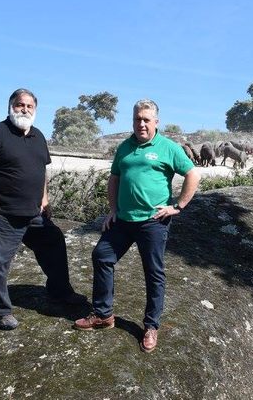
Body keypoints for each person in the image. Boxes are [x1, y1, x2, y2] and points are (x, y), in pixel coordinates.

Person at [74, 99, 200, 353]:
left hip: (153, 221)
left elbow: (193, 174)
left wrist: (178, 206)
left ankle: (151, 326)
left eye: (146, 119)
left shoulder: (168, 147)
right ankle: (103, 314)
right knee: (102, 255)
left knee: (153, 272)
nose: (141, 124)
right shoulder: (124, 147)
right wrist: (112, 210)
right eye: (137, 119)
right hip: (123, 220)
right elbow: (114, 178)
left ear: (156, 122)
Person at [0, 88, 85, 331]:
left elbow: (41, 170)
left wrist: (45, 199)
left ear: (35, 109)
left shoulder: (38, 136)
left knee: (54, 241)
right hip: (1, 214)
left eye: (29, 106)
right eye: (19, 105)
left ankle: (59, 291)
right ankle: (0, 313)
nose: (24, 109)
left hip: (33, 213)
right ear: (10, 106)